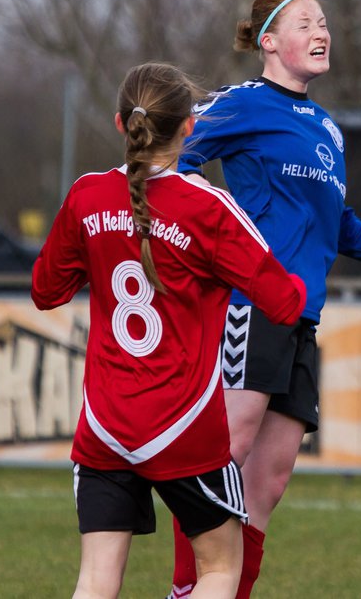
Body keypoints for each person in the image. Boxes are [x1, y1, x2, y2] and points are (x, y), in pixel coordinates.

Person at [168, 0, 361, 598]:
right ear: (269, 41)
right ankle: (184, 589)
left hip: (302, 318)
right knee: (224, 450)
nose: (321, 30)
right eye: (305, 22)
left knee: (267, 483)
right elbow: (174, 160)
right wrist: (216, 225)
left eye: (324, 21)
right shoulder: (243, 104)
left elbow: (340, 225)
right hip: (252, 306)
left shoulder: (328, 129)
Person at [31, 62, 308, 599]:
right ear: (189, 128)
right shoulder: (206, 207)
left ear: (120, 124)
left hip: (106, 427)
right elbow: (284, 301)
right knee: (221, 572)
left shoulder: (87, 196)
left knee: (94, 579)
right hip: (184, 429)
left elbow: (46, 291)